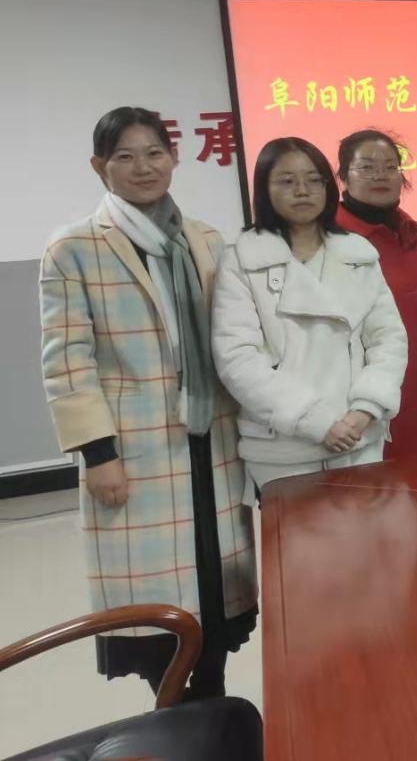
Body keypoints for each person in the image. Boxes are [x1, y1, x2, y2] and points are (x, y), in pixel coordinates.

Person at [39, 106, 257, 699]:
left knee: (216, 592)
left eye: (155, 153)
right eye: (125, 157)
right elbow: (67, 359)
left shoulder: (204, 239)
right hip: (134, 449)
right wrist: (97, 454)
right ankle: (176, 721)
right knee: (157, 611)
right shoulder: (74, 246)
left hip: (212, 437)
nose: (144, 167)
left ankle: (210, 714)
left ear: (174, 158)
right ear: (99, 166)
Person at [212, 137, 408, 497]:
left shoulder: (358, 253)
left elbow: (388, 341)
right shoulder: (242, 258)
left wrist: (365, 409)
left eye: (314, 180)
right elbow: (237, 358)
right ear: (264, 188)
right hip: (283, 449)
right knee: (299, 535)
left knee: (366, 532)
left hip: (357, 439)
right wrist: (316, 421)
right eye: (287, 181)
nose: (302, 190)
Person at [335, 129, 417, 456]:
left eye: (390, 167)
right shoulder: (331, 241)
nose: (381, 176)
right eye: (367, 167)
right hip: (363, 405)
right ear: (343, 176)